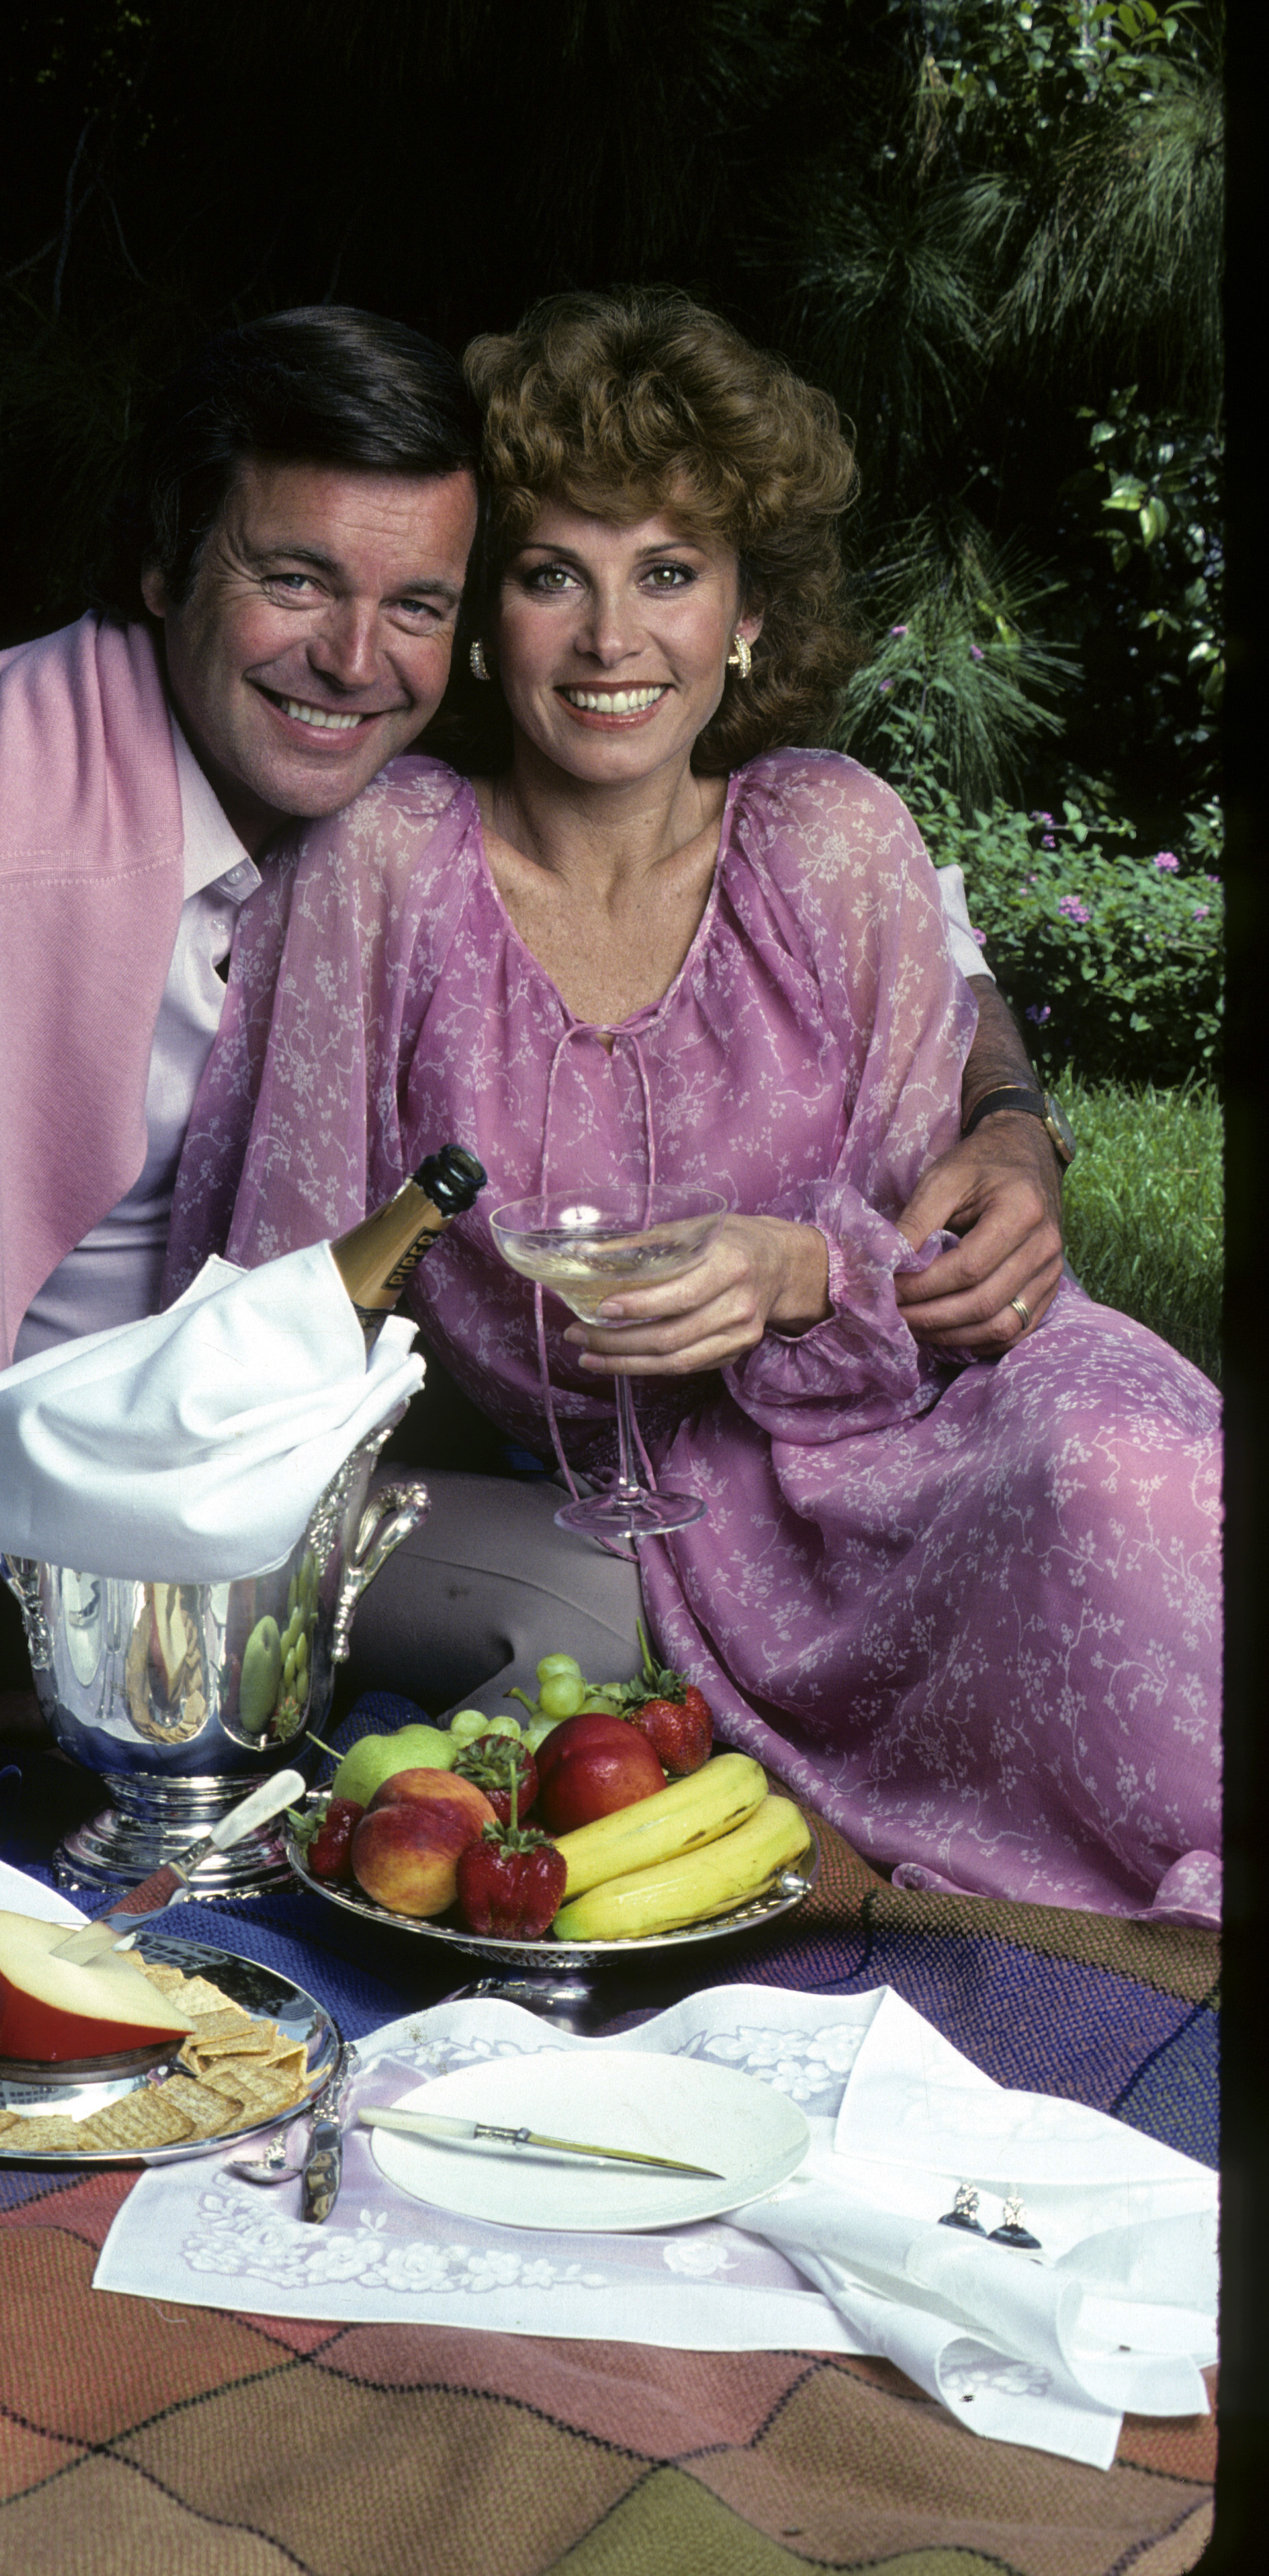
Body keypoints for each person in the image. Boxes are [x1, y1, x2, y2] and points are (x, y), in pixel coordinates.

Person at [0, 302, 1066, 1819]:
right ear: (169, 566)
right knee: (633, 1626)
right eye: (294, 577)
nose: (353, 657)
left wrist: (1006, 1109)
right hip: (90, 1521)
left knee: (749, 1595)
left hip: (393, 1459)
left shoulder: (414, 765)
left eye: (418, 602)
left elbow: (844, 885)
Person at [164, 291, 1219, 1925]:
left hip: (932, 1434)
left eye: (669, 573)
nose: (610, 639)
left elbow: (923, 1296)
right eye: (549, 575)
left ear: (743, 616)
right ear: (481, 618)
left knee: (1133, 1477)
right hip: (613, 1509)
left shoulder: (831, 840)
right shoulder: (390, 865)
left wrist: (805, 1269)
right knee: (586, 1631)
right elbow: (276, 1294)